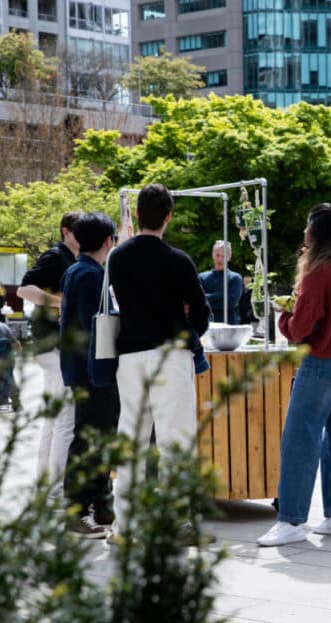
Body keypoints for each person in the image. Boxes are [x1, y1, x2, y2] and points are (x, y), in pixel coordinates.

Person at [257, 204, 331, 547]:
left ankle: (290, 520)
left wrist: (283, 316)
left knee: (299, 441)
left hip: (318, 361)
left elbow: (300, 328)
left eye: (308, 226)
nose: (304, 232)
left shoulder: (318, 272)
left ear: (317, 233)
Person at [107, 184, 211, 542]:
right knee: (175, 441)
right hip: (171, 355)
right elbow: (201, 317)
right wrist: (184, 318)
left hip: (130, 356)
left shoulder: (116, 258)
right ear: (168, 216)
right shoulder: (178, 261)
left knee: (131, 439)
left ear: (137, 214)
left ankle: (125, 526)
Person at [58, 213, 119, 539]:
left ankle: (98, 504)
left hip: (79, 369)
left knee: (92, 436)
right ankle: (78, 510)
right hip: (93, 372)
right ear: (108, 240)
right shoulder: (92, 275)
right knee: (89, 439)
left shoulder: (76, 271)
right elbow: (96, 326)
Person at [17, 211, 80, 492]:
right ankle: (55, 487)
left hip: (52, 345)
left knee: (56, 419)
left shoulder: (70, 258)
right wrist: (59, 303)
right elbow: (23, 290)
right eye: (79, 230)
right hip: (52, 345)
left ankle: (47, 484)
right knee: (64, 417)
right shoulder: (55, 257)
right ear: (66, 231)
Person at [198, 240, 244, 324]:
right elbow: (198, 300)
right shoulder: (202, 277)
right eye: (217, 255)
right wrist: (222, 296)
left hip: (229, 325)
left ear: (229, 257)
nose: (220, 259)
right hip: (206, 325)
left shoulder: (235, 278)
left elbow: (230, 303)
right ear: (213, 255)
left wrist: (206, 297)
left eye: (224, 256)